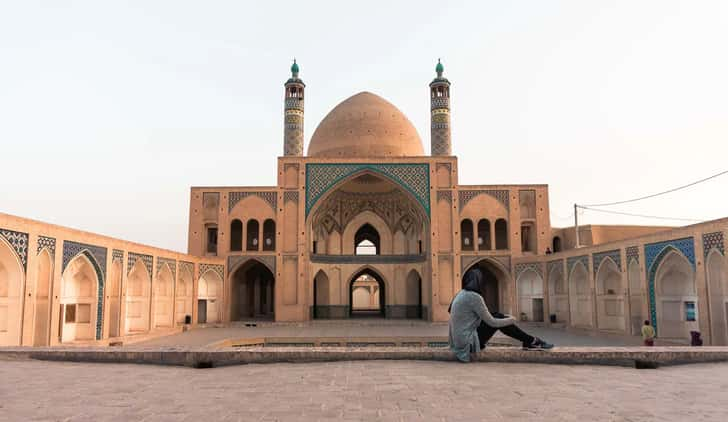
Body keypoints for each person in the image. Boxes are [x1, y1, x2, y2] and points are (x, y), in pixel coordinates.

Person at [448, 268, 554, 362]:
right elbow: (492, 323)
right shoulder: (474, 297)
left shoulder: (460, 294)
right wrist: (512, 319)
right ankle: (532, 341)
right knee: (498, 318)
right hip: (468, 345)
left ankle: (530, 341)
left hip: (458, 343)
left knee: (496, 315)